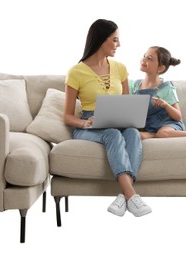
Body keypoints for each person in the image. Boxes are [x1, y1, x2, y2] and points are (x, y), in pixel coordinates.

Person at [63, 19, 152, 217]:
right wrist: (85, 122)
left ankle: (123, 196)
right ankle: (132, 195)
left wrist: (132, 118)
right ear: (101, 40)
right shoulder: (76, 72)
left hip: (119, 120)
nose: (118, 45)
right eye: (114, 40)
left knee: (131, 132)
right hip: (87, 125)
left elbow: (127, 103)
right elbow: (68, 116)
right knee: (112, 133)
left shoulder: (120, 68)